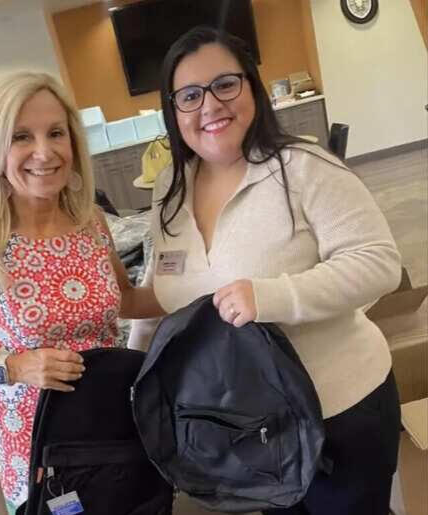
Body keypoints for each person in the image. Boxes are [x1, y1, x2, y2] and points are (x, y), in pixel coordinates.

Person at [128, 26, 402, 515]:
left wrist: (271, 297)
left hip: (342, 408)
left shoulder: (302, 166)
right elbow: (163, 291)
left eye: (225, 85)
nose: (209, 106)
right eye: (189, 95)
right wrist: (135, 378)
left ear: (251, 86)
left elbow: (379, 263)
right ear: (174, 110)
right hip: (252, 427)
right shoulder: (169, 188)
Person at [0, 72, 163, 514]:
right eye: (21, 136)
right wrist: (13, 365)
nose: (44, 152)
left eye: (56, 133)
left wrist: (202, 284)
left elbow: (123, 299)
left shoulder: (92, 222)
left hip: (114, 425)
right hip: (38, 447)